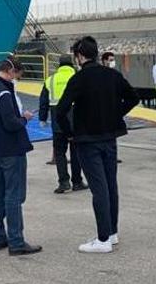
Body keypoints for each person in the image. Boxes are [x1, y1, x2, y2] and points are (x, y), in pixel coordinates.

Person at [56, 36, 139, 254]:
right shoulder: (112, 75)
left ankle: (102, 239)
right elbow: (133, 98)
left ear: (79, 56)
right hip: (109, 138)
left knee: (98, 188)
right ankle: (112, 233)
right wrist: (115, 115)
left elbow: (61, 110)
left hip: (87, 140)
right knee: (111, 185)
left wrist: (70, 133)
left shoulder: (79, 79)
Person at [0, 56, 42, 256]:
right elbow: (11, 123)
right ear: (10, 72)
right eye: (17, 76)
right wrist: (24, 118)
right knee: (14, 195)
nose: (16, 80)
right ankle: (16, 241)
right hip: (10, 150)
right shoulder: (4, 92)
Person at [39, 55, 87, 194]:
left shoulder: (51, 80)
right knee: (76, 153)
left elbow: (43, 102)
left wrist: (42, 118)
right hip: (76, 122)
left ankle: (63, 182)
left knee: (60, 153)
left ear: (59, 66)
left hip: (58, 123)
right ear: (71, 64)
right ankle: (77, 182)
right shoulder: (79, 77)